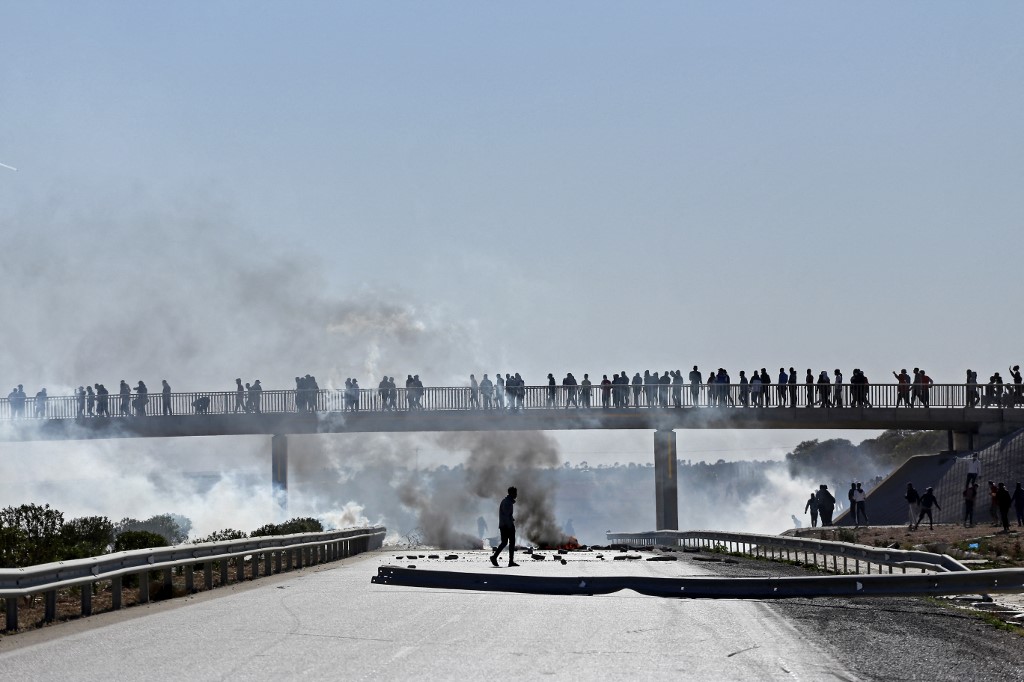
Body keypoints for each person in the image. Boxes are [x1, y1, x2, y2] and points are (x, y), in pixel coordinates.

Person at [490, 486, 519, 567]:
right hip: (507, 526)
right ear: (511, 493)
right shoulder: (507, 502)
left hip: (504, 525)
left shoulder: (507, 501)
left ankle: (495, 557)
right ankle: (510, 561)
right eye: (515, 493)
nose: (516, 495)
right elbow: (506, 515)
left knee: (505, 542)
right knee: (511, 542)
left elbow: (507, 515)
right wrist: (510, 526)